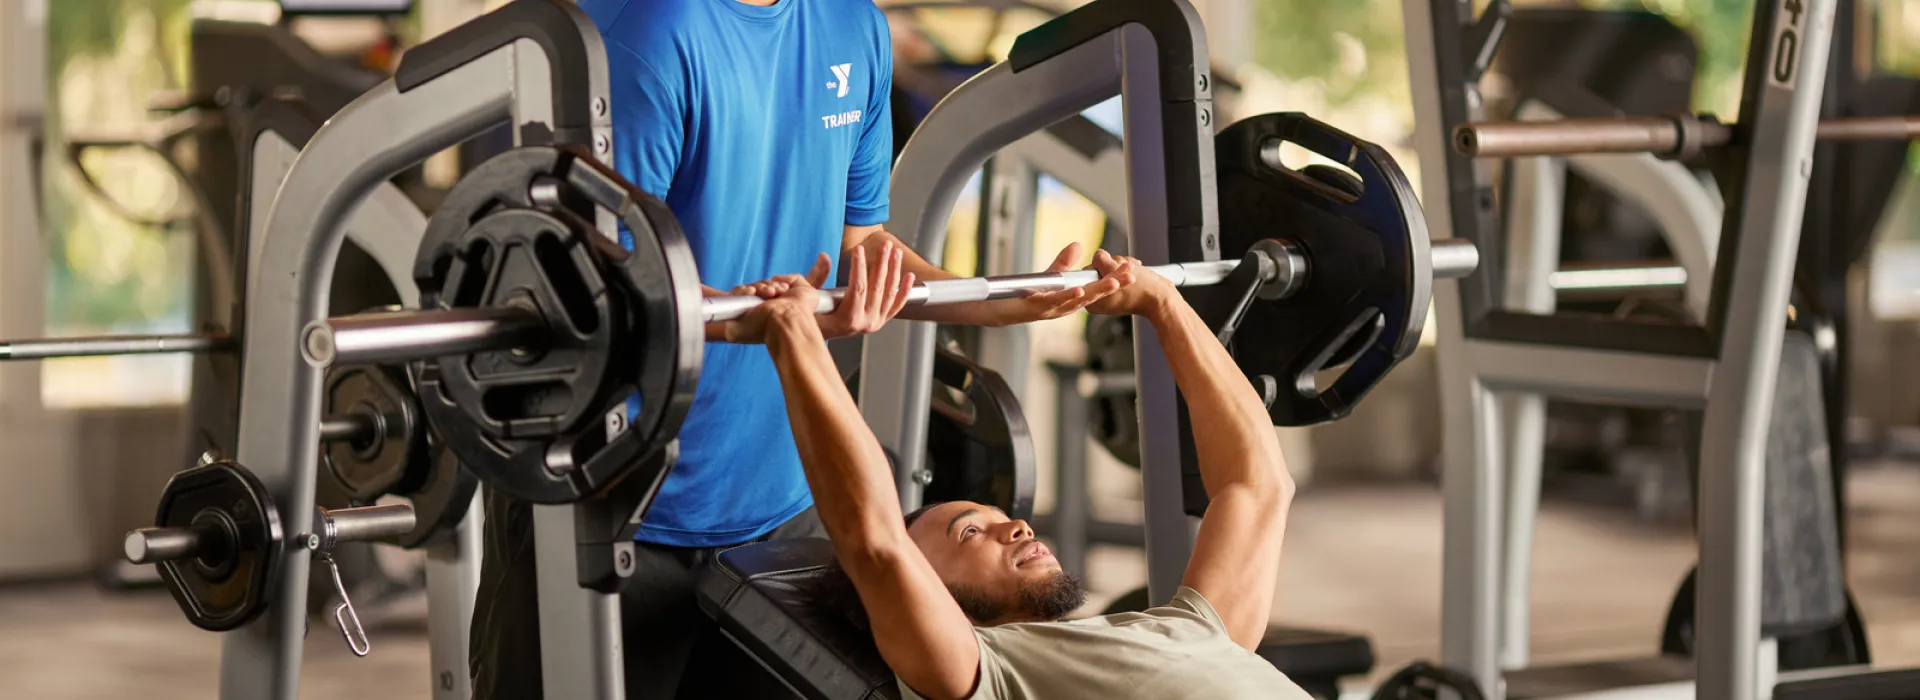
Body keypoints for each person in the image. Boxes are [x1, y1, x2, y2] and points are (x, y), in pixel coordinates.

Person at [469, 0, 1130, 698]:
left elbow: (858, 244)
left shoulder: (853, 25)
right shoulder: (648, 35)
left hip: (784, 498)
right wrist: (760, 324)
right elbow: (591, 279)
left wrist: (997, 302)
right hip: (621, 498)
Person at [723, 250, 1311, 700]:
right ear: (925, 589)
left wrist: (1162, 305)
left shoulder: (1191, 627)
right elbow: (874, 544)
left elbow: (1257, 485)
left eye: (998, 519)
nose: (1019, 527)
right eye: (969, 532)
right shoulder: (988, 673)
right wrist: (795, 337)